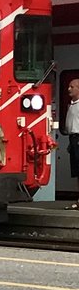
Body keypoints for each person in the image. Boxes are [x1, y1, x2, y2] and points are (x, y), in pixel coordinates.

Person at [66, 78, 79, 208]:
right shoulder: (71, 105)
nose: (69, 89)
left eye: (72, 87)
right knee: (76, 171)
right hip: (73, 138)